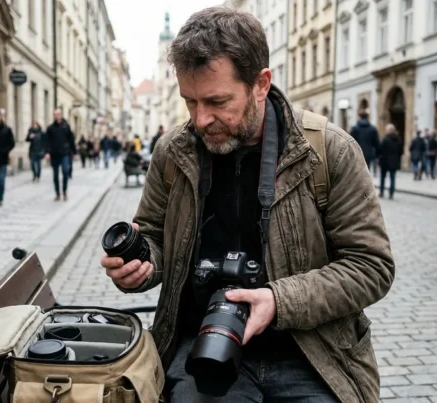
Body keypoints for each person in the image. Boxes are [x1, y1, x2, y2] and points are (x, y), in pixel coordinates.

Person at [101, 7, 394, 402]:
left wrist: (277, 301)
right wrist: (139, 265)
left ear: (261, 83)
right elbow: (153, 236)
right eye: (190, 102)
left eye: (217, 101)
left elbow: (371, 266)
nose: (201, 119)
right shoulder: (173, 151)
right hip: (201, 348)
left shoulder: (327, 151)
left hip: (311, 352)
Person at [45, 108, 75, 201]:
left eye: (58, 114)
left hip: (65, 153)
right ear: (53, 116)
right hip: (54, 154)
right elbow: (47, 141)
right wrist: (47, 152)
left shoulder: (66, 126)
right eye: (55, 114)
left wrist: (73, 151)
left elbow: (71, 139)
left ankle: (64, 192)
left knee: (65, 171)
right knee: (55, 175)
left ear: (61, 115)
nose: (57, 116)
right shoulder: (50, 128)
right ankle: (57, 193)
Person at [379, 124, 403, 199]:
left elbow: (381, 150)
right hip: (394, 161)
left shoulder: (385, 139)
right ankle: (391, 193)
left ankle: (382, 191)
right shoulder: (398, 140)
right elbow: (401, 152)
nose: (386, 131)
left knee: (383, 177)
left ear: (389, 130)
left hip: (385, 161)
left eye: (386, 130)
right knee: (392, 178)